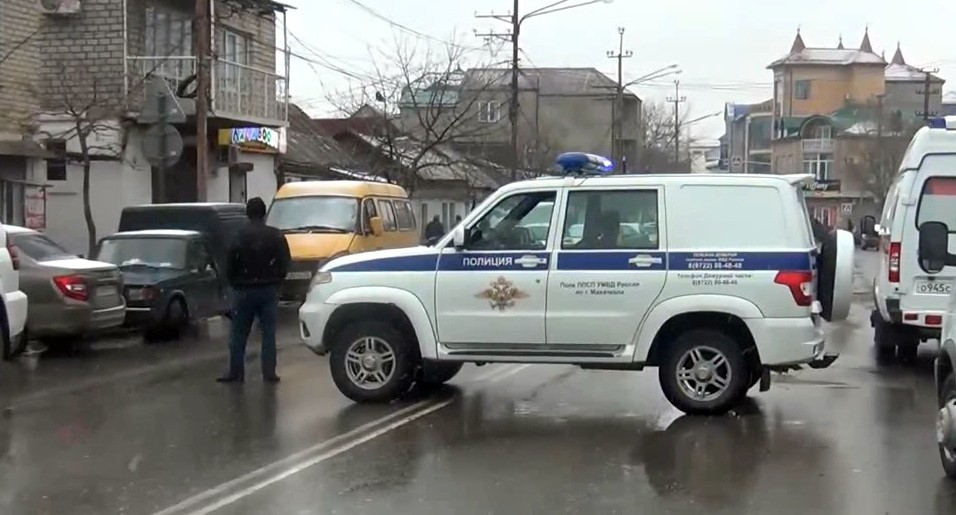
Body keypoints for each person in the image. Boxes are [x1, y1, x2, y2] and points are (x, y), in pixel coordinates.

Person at [217, 197, 291, 384]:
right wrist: (276, 280)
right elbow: (285, 262)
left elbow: (230, 264)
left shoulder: (238, 236)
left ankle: (236, 372)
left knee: (238, 334)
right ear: (264, 213)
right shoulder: (276, 235)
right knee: (268, 334)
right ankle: (269, 372)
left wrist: (235, 283)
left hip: (243, 290)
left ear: (247, 214)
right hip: (268, 289)